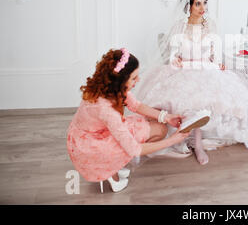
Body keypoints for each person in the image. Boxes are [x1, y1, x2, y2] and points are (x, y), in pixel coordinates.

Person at [136, 0, 248, 165]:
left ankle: (239, 135)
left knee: (226, 97)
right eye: (197, 3)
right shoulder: (179, 27)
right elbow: (174, 56)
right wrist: (177, 62)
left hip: (206, 69)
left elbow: (214, 54)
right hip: (184, 71)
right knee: (190, 99)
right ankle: (192, 141)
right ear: (189, 6)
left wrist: (217, 63)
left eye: (204, 2)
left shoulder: (210, 25)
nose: (202, 7)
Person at [66, 48, 189, 193]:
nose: (139, 80)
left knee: (158, 127)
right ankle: (110, 172)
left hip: (92, 133)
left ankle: (114, 164)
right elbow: (135, 149)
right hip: (89, 147)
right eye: (134, 78)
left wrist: (166, 117)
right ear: (121, 81)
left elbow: (136, 106)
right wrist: (173, 140)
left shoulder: (109, 87)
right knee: (155, 132)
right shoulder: (106, 109)